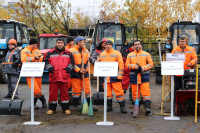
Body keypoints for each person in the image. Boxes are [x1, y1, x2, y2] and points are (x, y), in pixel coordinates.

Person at [45, 38, 75, 115]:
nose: (60, 44)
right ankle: (52, 108)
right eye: (58, 42)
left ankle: (65, 109)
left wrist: (69, 68)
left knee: (64, 93)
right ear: (56, 43)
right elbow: (46, 62)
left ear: (64, 44)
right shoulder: (50, 53)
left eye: (61, 42)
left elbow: (72, 63)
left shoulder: (68, 53)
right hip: (54, 76)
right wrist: (50, 68)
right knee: (52, 93)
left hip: (64, 76)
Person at [69, 36, 98, 111]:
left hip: (85, 74)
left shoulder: (86, 51)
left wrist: (87, 69)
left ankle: (89, 104)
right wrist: (79, 70)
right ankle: (77, 105)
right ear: (78, 43)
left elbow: (88, 63)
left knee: (88, 90)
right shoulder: (71, 51)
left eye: (84, 42)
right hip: (75, 74)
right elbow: (70, 63)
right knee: (76, 91)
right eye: (83, 42)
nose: (84, 43)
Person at [125, 40, 153, 116]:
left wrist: (143, 68)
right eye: (135, 44)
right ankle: (136, 108)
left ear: (141, 45)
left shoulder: (146, 54)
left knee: (146, 92)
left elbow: (151, 64)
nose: (137, 45)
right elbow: (127, 65)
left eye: (138, 44)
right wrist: (134, 66)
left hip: (144, 75)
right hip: (134, 76)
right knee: (135, 93)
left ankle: (147, 108)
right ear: (133, 46)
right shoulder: (130, 55)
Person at [98, 40, 127, 113]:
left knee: (119, 93)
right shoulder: (102, 54)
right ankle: (109, 107)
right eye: (106, 44)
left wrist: (120, 76)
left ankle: (122, 107)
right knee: (107, 94)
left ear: (112, 45)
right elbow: (99, 63)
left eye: (109, 44)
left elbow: (121, 65)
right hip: (105, 77)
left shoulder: (117, 53)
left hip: (115, 77)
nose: (107, 45)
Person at [21, 38, 47, 109]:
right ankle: (43, 99)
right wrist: (34, 58)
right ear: (30, 44)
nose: (35, 46)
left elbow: (40, 60)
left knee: (37, 88)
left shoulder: (38, 51)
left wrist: (36, 59)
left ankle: (34, 104)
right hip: (29, 71)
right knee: (34, 88)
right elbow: (24, 60)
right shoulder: (24, 51)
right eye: (34, 45)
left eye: (36, 45)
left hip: (37, 71)